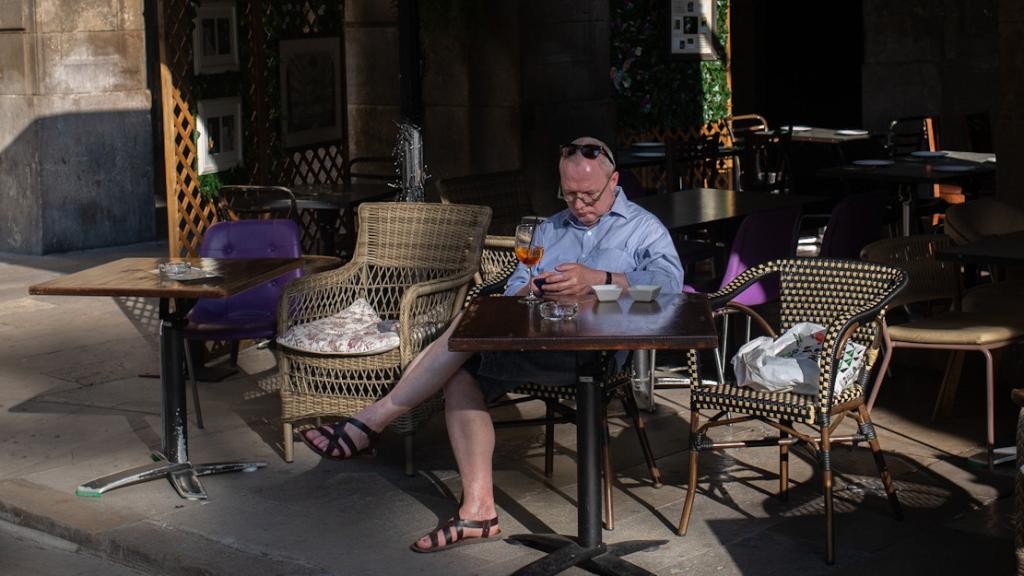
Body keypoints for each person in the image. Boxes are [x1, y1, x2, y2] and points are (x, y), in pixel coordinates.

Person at [299, 136, 683, 553]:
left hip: (601, 354)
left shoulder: (643, 227)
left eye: (589, 195)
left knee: (464, 327)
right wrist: (534, 288)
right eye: (568, 194)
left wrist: (602, 282)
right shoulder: (549, 228)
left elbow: (670, 288)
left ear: (614, 182)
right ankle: (479, 511)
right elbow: (516, 287)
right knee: (463, 371)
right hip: (539, 344)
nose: (578, 205)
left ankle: (372, 421)